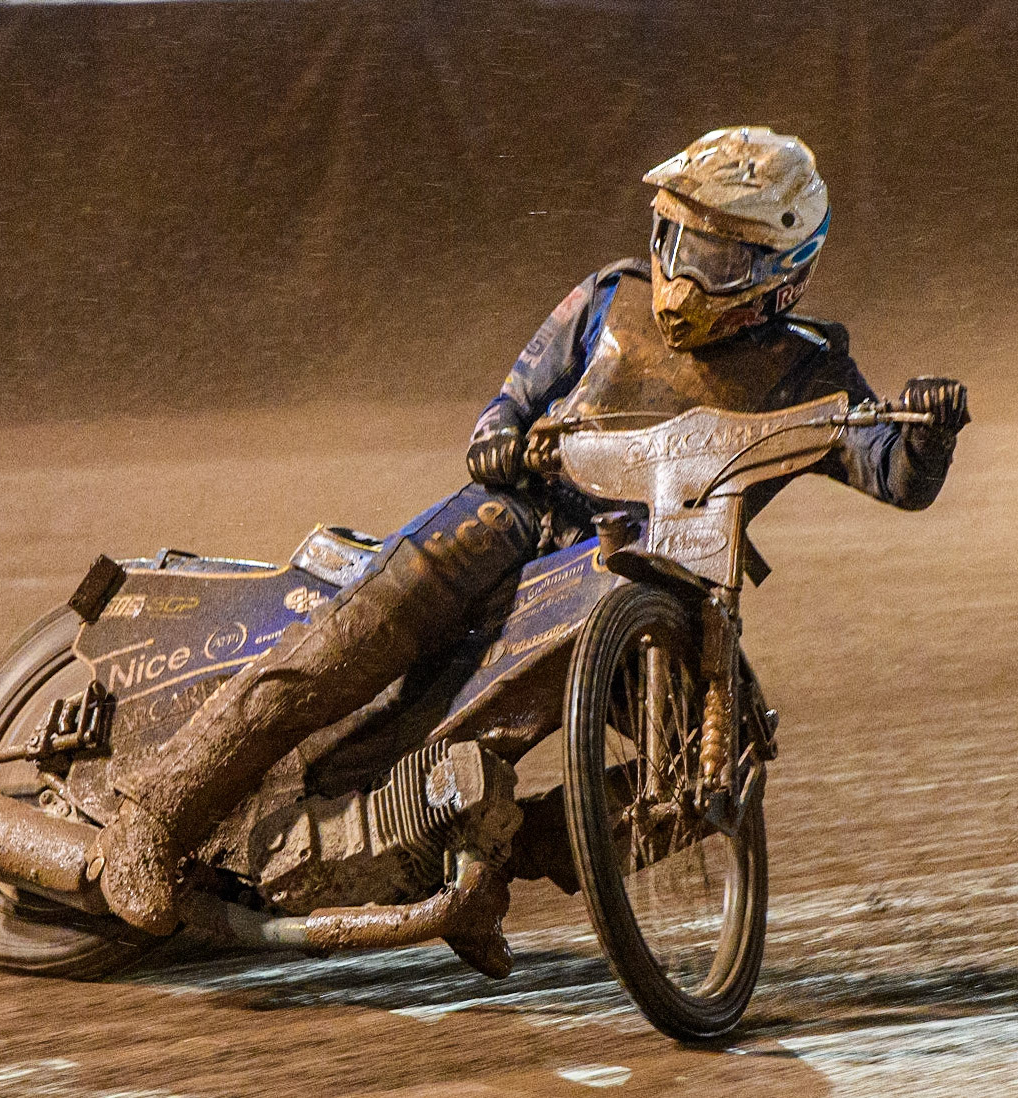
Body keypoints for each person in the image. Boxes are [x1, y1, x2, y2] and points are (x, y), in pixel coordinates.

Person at [97, 126, 970, 936]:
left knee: (728, 749)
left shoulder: (811, 368)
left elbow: (892, 470)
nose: (682, 272)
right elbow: (504, 410)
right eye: (675, 240)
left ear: (780, 273)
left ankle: (512, 850)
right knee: (353, 642)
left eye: (711, 255)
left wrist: (929, 429)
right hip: (519, 518)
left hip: (650, 581)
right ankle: (159, 805)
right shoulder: (609, 296)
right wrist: (501, 446)